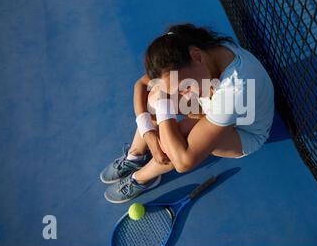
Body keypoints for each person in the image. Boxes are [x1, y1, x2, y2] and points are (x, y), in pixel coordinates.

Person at [100, 24, 274, 203]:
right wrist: (149, 133)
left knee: (178, 141)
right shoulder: (181, 46)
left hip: (243, 130)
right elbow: (141, 85)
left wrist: (163, 103)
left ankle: (140, 178)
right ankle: (135, 156)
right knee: (153, 97)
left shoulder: (236, 89)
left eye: (186, 86)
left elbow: (183, 162)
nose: (186, 95)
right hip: (215, 102)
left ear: (197, 56)